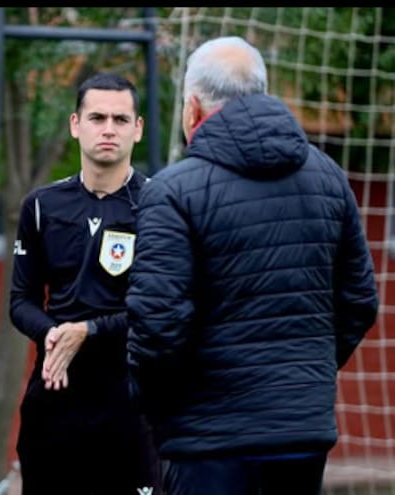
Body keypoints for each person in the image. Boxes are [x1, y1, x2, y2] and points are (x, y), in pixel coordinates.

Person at [125, 36, 379, 495]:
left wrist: (158, 406)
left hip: (208, 439)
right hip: (301, 432)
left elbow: (157, 325)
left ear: (193, 109)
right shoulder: (329, 176)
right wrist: (304, 373)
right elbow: (359, 301)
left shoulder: (171, 191)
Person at [9, 72, 161, 495]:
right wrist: (53, 334)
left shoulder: (159, 204)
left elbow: (158, 308)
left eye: (120, 119)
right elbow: (20, 301)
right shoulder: (41, 205)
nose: (108, 129)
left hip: (129, 400)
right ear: (76, 125)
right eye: (97, 118)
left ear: (138, 129)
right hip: (57, 391)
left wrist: (89, 330)